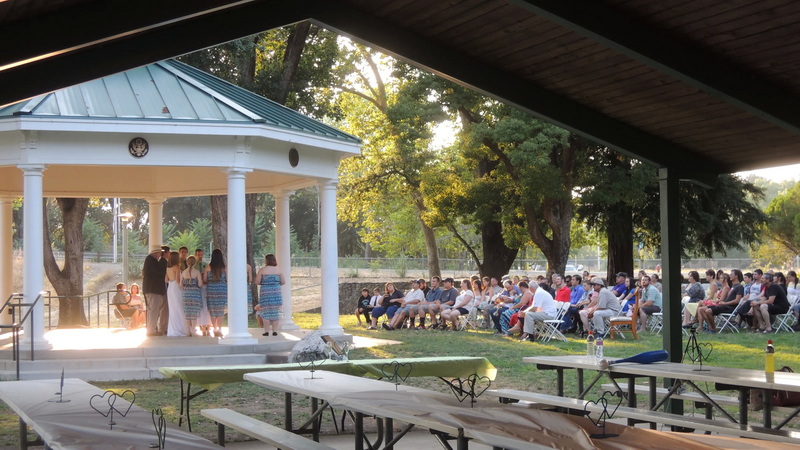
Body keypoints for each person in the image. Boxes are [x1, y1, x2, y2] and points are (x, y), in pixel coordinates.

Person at [698, 269, 743, 333]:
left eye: (731, 274)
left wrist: (725, 303)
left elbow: (737, 301)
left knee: (708, 311)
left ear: (736, 276)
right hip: (723, 305)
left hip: (729, 308)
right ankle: (710, 326)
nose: (729, 276)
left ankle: (712, 328)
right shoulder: (733, 286)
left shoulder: (740, 287)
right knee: (700, 309)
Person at [255, 253, 286, 336]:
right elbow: (283, 282)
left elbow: (257, 282)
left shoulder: (262, 270)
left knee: (265, 312)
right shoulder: (278, 270)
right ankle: (275, 331)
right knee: (275, 311)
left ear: (266, 260)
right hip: (276, 293)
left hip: (265, 293)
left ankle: (266, 331)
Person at [142, 245, 168, 336]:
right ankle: (151, 330)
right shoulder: (151, 260)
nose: (161, 254)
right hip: (152, 289)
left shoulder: (151, 260)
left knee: (152, 310)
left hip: (150, 288)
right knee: (153, 310)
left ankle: (151, 329)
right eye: (160, 252)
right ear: (156, 252)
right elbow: (158, 273)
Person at [204, 248, 228, 337]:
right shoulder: (224, 267)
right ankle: (220, 329)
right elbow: (227, 278)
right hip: (222, 290)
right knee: (220, 310)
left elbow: (205, 279)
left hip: (211, 290)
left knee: (213, 310)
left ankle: (214, 328)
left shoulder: (208, 267)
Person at [166, 251, 188, 337]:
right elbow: (178, 280)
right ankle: (180, 329)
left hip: (170, 287)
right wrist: (183, 286)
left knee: (172, 309)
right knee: (179, 307)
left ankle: (172, 329)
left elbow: (166, 280)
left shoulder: (167, 268)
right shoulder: (177, 267)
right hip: (176, 286)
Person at [181, 255, 203, 336]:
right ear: (195, 263)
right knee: (194, 312)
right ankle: (193, 330)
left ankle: (187, 331)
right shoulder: (197, 272)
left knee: (187, 312)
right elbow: (200, 284)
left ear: (187, 262)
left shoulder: (183, 272)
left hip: (186, 294)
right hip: (195, 294)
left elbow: (181, 284)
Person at [194, 248, 212, 337]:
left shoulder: (206, 265)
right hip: (198, 288)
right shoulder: (194, 266)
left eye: (201, 254)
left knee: (206, 306)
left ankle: (208, 326)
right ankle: (201, 325)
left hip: (206, 287)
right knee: (201, 307)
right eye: (198, 255)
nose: (200, 256)